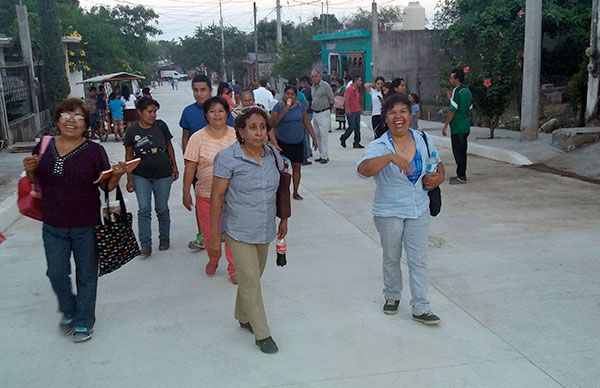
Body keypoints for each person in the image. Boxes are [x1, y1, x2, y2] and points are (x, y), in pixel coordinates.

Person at [22, 98, 127, 343]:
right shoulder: (44, 145)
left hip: (86, 224)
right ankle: (69, 311)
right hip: (53, 223)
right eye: (66, 115)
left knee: (87, 275)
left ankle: (84, 320)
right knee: (56, 273)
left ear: (85, 124)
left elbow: (104, 185)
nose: (71, 121)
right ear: (58, 118)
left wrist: (117, 175)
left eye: (78, 117)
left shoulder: (94, 151)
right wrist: (29, 170)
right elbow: (35, 181)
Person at [356, 93, 445, 325]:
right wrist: (390, 157)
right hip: (389, 212)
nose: (398, 117)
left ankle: (421, 307)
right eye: (392, 112)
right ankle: (392, 295)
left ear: (411, 114)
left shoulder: (424, 139)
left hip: (419, 209)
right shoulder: (379, 146)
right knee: (392, 257)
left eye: (403, 111)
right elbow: (364, 169)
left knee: (418, 260)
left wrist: (436, 179)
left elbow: (439, 166)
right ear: (385, 117)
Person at [209, 107, 288, 354]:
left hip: (264, 228)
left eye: (263, 127)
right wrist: (213, 236)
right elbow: (216, 197)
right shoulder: (227, 158)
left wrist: (283, 219)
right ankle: (262, 333)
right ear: (240, 131)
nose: (259, 133)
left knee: (252, 277)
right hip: (238, 230)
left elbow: (280, 191)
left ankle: (243, 316)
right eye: (252, 127)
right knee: (251, 280)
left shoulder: (273, 155)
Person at [183, 97, 238, 284]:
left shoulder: (236, 135)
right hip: (205, 194)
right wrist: (185, 192)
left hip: (233, 195)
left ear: (227, 113)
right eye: (212, 111)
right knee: (210, 233)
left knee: (232, 232)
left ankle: (234, 268)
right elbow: (190, 167)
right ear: (206, 115)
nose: (217, 114)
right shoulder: (197, 138)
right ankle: (213, 258)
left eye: (221, 110)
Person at [180, 74, 234, 250]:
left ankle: (223, 237)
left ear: (210, 90)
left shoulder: (224, 113)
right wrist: (191, 160)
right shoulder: (188, 112)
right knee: (203, 207)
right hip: (202, 167)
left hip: (229, 181)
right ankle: (204, 235)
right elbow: (185, 138)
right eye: (195, 90)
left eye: (203, 90)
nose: (199, 94)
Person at [124, 97, 179, 257]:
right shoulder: (132, 130)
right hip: (141, 175)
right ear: (139, 112)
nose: (153, 115)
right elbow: (128, 155)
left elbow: (169, 147)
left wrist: (174, 166)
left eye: (155, 111)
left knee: (161, 208)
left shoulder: (161, 126)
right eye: (149, 112)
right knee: (144, 209)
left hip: (163, 174)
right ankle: (145, 244)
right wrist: (129, 178)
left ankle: (164, 237)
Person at [269, 85, 318, 200]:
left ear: (296, 96)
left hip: (298, 141)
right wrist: (284, 112)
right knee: (283, 170)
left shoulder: (300, 106)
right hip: (283, 142)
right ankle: (281, 193)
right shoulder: (278, 107)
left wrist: (314, 137)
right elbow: (271, 124)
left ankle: (295, 192)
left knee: (297, 168)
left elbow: (306, 122)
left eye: (292, 94)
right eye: (287, 94)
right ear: (284, 95)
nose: (289, 96)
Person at [442, 68, 472, 185]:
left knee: (458, 152)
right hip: (465, 126)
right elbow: (470, 108)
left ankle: (461, 176)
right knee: (462, 151)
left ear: (456, 79)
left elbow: (452, 110)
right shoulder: (467, 91)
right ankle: (460, 174)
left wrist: (445, 125)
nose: (450, 80)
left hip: (457, 127)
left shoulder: (457, 91)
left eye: (451, 78)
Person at [310, 69, 335, 164]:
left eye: (315, 76)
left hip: (323, 112)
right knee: (317, 135)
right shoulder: (313, 87)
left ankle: (325, 156)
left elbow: (332, 99)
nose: (314, 78)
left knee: (324, 135)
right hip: (315, 113)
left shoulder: (325, 86)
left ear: (319, 75)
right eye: (312, 77)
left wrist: (328, 110)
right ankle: (321, 154)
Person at [340, 75, 364, 149]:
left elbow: (357, 100)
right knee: (352, 126)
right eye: (359, 81)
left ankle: (356, 142)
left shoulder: (356, 90)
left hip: (356, 111)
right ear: (356, 81)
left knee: (357, 127)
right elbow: (346, 99)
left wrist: (359, 108)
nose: (361, 82)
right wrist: (347, 109)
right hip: (351, 111)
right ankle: (343, 137)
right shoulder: (349, 89)